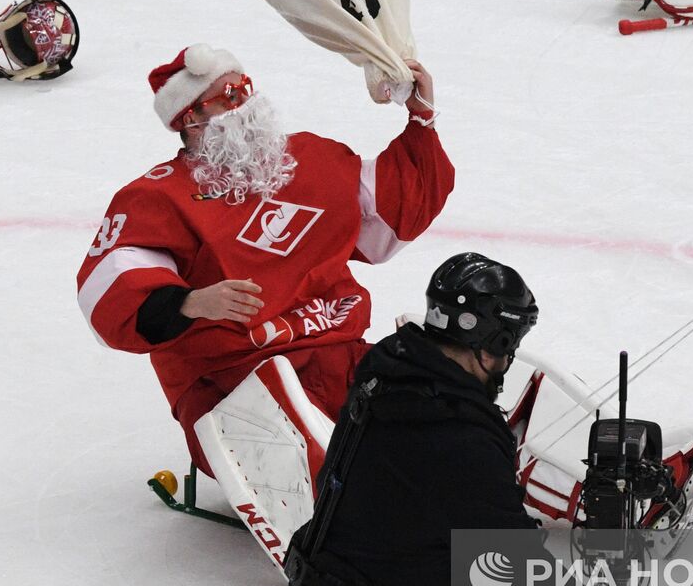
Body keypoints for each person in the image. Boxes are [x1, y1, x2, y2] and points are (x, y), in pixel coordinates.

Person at [285, 253, 632, 586]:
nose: (508, 363)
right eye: (509, 347)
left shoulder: (389, 364)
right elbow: (512, 564)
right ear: (494, 341)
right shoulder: (455, 433)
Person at [76, 44, 453, 483]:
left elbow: (397, 209)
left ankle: (507, 546)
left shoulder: (310, 160)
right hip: (233, 388)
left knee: (455, 425)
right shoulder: (158, 197)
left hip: (338, 360)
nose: (246, 104)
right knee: (369, 481)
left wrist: (419, 116)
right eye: (229, 96)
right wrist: (190, 303)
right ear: (190, 119)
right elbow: (107, 293)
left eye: (245, 89)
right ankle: (444, 542)